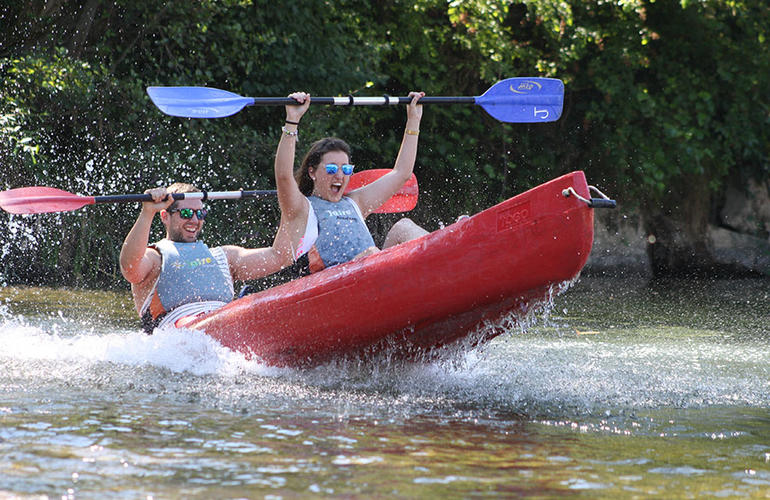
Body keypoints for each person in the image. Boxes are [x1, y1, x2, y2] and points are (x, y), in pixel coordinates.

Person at [273, 91, 429, 275]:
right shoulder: (300, 208)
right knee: (371, 253)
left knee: (404, 226)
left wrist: (414, 119)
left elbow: (401, 174)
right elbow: (283, 176)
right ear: (312, 172)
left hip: (375, 270)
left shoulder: (356, 202)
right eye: (332, 169)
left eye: (346, 170)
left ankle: (444, 251)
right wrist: (292, 120)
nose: (340, 175)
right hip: (335, 284)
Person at [119, 182, 293, 333]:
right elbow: (129, 269)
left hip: (227, 324)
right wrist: (147, 212)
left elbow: (280, 256)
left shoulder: (225, 256)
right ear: (165, 216)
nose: (195, 220)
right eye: (186, 213)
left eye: (200, 213)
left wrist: (290, 205)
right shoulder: (155, 257)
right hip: (179, 335)